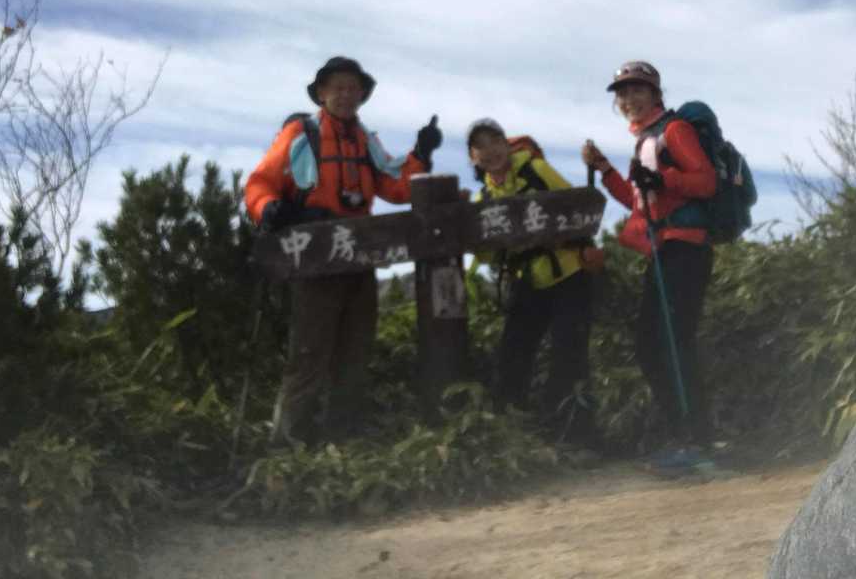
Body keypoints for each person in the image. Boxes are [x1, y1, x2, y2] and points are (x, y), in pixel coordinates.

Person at [245, 56, 441, 446]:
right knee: (309, 355)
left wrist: (421, 152)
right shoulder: (301, 134)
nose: (346, 94)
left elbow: (396, 186)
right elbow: (259, 183)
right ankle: (287, 449)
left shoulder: (366, 141)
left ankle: (343, 445)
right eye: (338, 87)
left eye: (353, 88)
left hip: (358, 257)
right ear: (322, 93)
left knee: (355, 353)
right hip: (315, 259)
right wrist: (268, 209)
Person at [581, 60, 717, 474]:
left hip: (685, 248)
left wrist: (665, 180)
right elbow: (639, 201)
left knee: (670, 344)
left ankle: (696, 443)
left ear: (656, 94)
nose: (629, 99)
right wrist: (606, 170)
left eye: (637, 90)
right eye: (622, 93)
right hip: (665, 251)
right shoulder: (645, 141)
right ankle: (688, 437)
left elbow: (706, 181)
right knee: (655, 344)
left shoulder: (674, 131)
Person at [467, 118, 600, 442]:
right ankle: (514, 433)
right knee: (512, 356)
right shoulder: (483, 199)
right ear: (473, 157)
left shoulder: (536, 169)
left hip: (569, 273)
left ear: (507, 144)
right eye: (480, 146)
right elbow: (486, 255)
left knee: (569, 354)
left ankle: (574, 435)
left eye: (495, 141)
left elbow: (576, 205)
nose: (490, 151)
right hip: (525, 280)